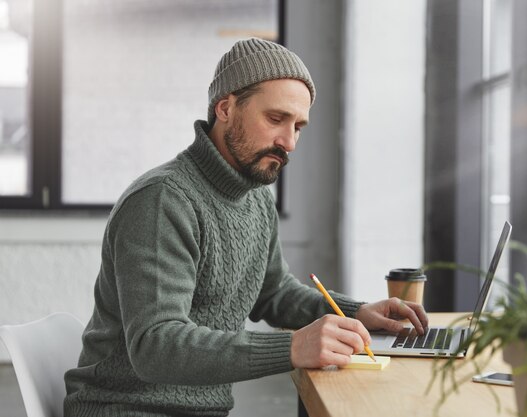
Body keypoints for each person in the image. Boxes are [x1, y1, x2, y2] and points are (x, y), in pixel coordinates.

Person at [64, 38, 428, 417]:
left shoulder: (255, 197)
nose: (289, 142)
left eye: (298, 127)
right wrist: (292, 348)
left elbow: (274, 293)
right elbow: (156, 346)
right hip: (125, 409)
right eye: (275, 119)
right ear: (225, 107)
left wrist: (356, 312)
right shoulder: (162, 202)